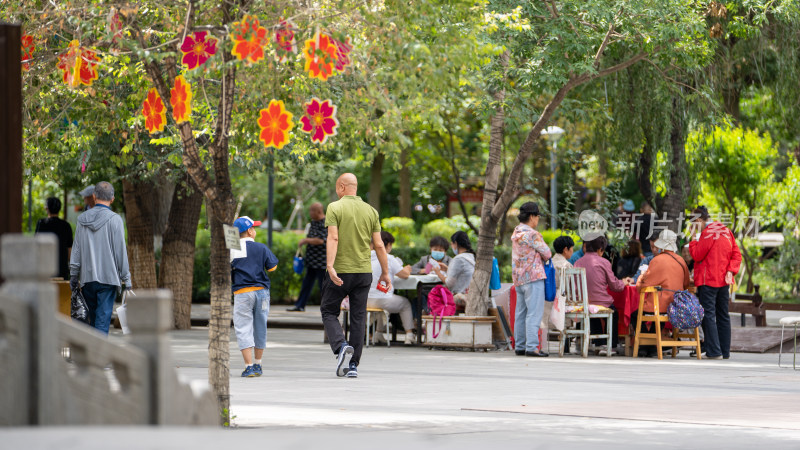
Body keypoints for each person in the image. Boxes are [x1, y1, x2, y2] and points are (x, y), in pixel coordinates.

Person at [320, 173, 390, 379]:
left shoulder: (335, 207)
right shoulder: (371, 211)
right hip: (363, 273)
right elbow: (378, 244)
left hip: (340, 271)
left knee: (328, 311)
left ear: (342, 187)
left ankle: (341, 346)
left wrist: (330, 266)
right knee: (358, 317)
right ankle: (353, 366)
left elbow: (333, 237)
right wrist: (385, 273)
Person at [69, 181, 131, 335]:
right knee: (102, 323)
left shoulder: (82, 220)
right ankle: (99, 358)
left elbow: (76, 250)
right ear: (113, 199)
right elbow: (120, 252)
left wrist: (73, 274)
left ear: (94, 197)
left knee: (89, 323)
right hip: (108, 279)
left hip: (87, 279)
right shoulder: (115, 220)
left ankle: (90, 356)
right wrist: (127, 279)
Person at [689, 206, 742, 360]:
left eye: (694, 224)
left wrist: (693, 240)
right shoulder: (725, 230)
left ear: (699, 220)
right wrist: (731, 270)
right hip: (724, 280)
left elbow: (697, 255)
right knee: (723, 315)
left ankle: (714, 351)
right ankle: (724, 351)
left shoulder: (707, 233)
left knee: (709, 315)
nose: (693, 227)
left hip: (709, 280)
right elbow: (737, 255)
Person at [230, 216, 279, 377]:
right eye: (254, 227)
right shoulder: (261, 248)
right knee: (260, 326)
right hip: (262, 292)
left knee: (243, 327)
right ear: (250, 231)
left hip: (242, 293)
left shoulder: (232, 249)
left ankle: (248, 366)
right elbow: (272, 267)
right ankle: (258, 364)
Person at [574, 235, 633, 351]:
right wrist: (623, 282)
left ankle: (599, 343)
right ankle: (612, 344)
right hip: (600, 303)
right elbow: (615, 286)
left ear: (585, 246)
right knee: (613, 313)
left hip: (583, 303)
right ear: (600, 249)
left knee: (592, 309)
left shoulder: (577, 262)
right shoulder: (603, 262)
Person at [510, 202, 552, 357]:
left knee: (520, 313)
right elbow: (547, 253)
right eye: (538, 216)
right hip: (533, 277)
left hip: (519, 278)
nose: (538, 219)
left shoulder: (516, 232)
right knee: (534, 313)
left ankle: (520, 346)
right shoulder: (533, 234)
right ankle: (532, 347)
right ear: (532, 216)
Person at [366, 231, 416, 345]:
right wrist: (407, 268)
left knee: (381, 305)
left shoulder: (364, 257)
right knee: (405, 303)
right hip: (382, 300)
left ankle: (378, 334)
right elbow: (404, 275)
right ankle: (409, 335)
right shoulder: (388, 257)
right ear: (387, 245)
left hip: (365, 300)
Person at [288, 202, 327, 312]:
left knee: (323, 286)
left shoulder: (325, 223)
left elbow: (321, 240)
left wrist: (305, 240)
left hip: (321, 262)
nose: (309, 213)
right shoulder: (313, 222)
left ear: (318, 211)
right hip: (311, 261)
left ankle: (327, 308)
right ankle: (300, 305)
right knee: (306, 284)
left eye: (311, 211)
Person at [431, 231, 475, 308]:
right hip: (472, 295)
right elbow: (463, 274)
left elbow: (449, 284)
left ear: (455, 243)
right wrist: (448, 269)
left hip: (459, 295)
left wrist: (438, 272)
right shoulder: (471, 256)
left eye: (452, 244)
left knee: (431, 299)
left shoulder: (458, 259)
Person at [546, 235, 574, 352]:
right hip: (562, 303)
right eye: (571, 249)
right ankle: (566, 343)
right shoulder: (567, 265)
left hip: (548, 301)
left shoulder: (548, 263)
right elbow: (570, 288)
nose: (572, 252)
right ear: (565, 249)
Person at [35, 197, 73, 280]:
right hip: (62, 268)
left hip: (45, 268)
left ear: (46, 208)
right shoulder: (66, 225)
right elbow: (69, 251)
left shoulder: (41, 223)